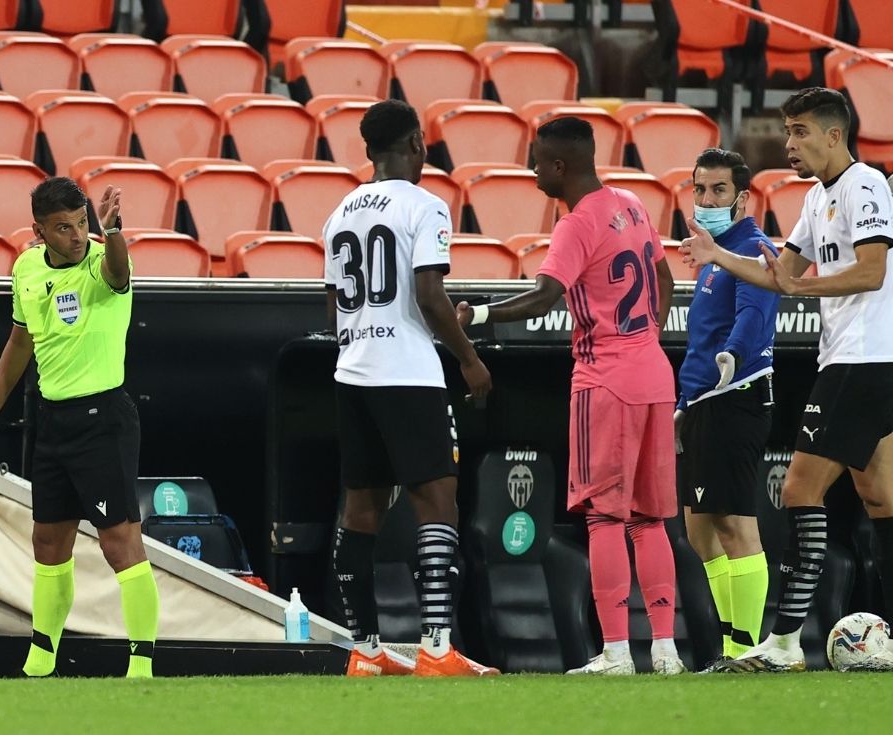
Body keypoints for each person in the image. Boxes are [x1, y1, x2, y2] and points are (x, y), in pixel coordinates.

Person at [458, 116, 683, 675]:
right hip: (654, 374)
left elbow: (544, 296)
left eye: (538, 160)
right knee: (650, 520)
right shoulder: (630, 202)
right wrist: (643, 343)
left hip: (604, 379)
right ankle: (665, 649)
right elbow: (666, 281)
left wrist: (479, 315)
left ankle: (613, 653)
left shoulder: (576, 224)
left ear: (560, 165)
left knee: (605, 519)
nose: (533, 170)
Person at [682, 87, 893, 672]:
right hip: (857, 359)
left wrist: (802, 288)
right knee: (880, 497)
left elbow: (872, 271)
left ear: (834, 134)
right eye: (788, 131)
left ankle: (782, 642)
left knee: (799, 491)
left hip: (862, 360)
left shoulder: (865, 185)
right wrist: (716, 255)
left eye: (799, 131)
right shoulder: (818, 199)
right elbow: (781, 275)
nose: (789, 143)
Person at [323, 99, 495, 678]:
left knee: (361, 508)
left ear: (370, 150)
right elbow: (428, 295)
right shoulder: (426, 206)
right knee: (436, 502)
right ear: (418, 143)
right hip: (408, 373)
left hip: (353, 371)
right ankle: (437, 649)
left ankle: (366, 652)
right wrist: (468, 360)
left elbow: (333, 311)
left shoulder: (340, 212)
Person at [0, 177, 160, 679]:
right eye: (64, 228)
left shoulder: (103, 260)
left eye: (82, 224)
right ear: (39, 231)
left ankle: (141, 664)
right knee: (48, 544)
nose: (77, 236)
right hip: (50, 422)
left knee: (120, 543)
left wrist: (112, 232)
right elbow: (19, 342)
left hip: (104, 420)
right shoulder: (26, 268)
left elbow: (119, 273)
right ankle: (40, 661)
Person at [676, 148, 779, 669]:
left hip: (737, 397)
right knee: (698, 530)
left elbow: (754, 316)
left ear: (742, 197)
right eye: (700, 189)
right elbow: (701, 337)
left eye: (718, 190)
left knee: (737, 525)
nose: (707, 199)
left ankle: (746, 649)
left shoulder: (753, 250)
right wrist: (682, 403)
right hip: (702, 402)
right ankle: (731, 645)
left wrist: (731, 359)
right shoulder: (713, 252)